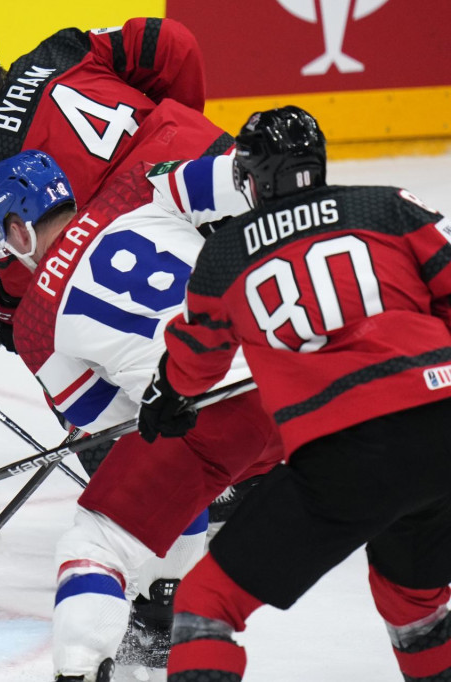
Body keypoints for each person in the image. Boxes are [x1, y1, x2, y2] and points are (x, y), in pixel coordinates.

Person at [138, 106, 451, 681]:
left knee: (206, 603)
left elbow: (197, 362)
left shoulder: (229, 251)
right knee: (416, 607)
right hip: (442, 421)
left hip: (346, 453)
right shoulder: (391, 206)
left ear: (253, 179)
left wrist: (166, 392)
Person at [0, 149, 283, 682]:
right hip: (293, 359)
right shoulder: (136, 187)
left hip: (209, 408)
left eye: (3, 240)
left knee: (95, 541)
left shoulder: (34, 327)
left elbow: (115, 426)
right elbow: (255, 173)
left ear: (17, 227)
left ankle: (83, 666)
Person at [0, 16, 234, 356]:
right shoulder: (61, 50)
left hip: (166, 234)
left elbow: (24, 263)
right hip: (219, 163)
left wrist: (8, 310)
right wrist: (180, 129)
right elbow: (172, 41)